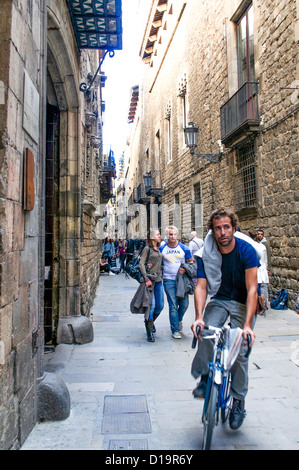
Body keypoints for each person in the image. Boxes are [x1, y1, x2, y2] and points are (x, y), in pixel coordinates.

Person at [191, 207, 260, 430]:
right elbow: (201, 286)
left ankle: (238, 401)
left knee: (239, 351)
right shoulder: (205, 253)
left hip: (242, 301)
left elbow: (252, 290)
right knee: (206, 331)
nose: (222, 232)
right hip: (220, 298)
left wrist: (248, 326)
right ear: (212, 230)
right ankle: (204, 377)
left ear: (233, 228)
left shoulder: (246, 250)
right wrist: (199, 317)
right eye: (218, 228)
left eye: (226, 227)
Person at [160, 226, 193, 339]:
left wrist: (185, 268)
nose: (172, 237)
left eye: (174, 234)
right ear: (166, 235)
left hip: (182, 281)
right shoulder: (162, 249)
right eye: (170, 234)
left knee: (184, 304)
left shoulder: (184, 248)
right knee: (173, 305)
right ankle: (175, 330)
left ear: (177, 235)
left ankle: (178, 320)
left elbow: (191, 263)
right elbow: (158, 263)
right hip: (168, 280)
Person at [139, 229, 164, 342]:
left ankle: (150, 321)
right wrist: (146, 278)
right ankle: (149, 331)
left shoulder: (158, 248)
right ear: (153, 237)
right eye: (158, 234)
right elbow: (141, 264)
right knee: (152, 305)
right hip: (150, 281)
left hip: (158, 280)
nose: (160, 236)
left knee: (160, 305)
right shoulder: (147, 249)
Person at [249, 229, 269, 312]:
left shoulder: (251, 246)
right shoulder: (262, 246)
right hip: (262, 269)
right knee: (263, 288)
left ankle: (257, 305)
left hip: (256, 269)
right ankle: (264, 305)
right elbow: (266, 259)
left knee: (255, 288)